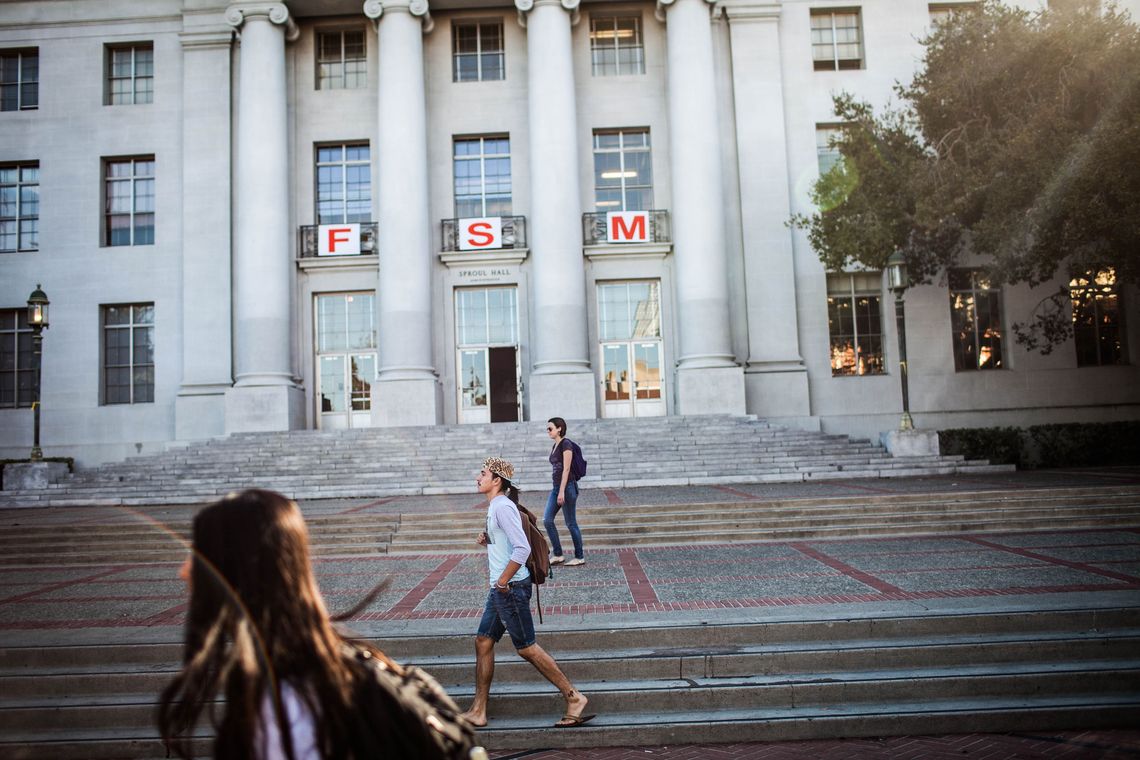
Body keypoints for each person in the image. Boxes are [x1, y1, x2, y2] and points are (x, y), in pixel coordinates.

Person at [157, 489, 479, 760]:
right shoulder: (289, 679)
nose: (183, 571)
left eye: (197, 553)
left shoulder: (290, 707)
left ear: (236, 572)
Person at [459, 457, 595, 729]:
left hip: (509, 588)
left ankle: (574, 697)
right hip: (502, 588)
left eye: (483, 473)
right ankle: (478, 710)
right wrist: (488, 539)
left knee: (527, 648)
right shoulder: (497, 506)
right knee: (483, 642)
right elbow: (509, 544)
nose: (478, 477)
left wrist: (502, 582)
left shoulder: (503, 507)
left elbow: (522, 549)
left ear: (497, 480)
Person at [544, 417, 585, 566]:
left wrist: (561, 491)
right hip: (556, 488)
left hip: (567, 487)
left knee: (570, 523)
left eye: (550, 428)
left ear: (559, 428)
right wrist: (558, 490)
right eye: (547, 429)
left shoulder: (566, 444)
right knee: (547, 520)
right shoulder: (555, 445)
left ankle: (579, 556)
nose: (548, 431)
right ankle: (558, 554)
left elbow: (566, 469)